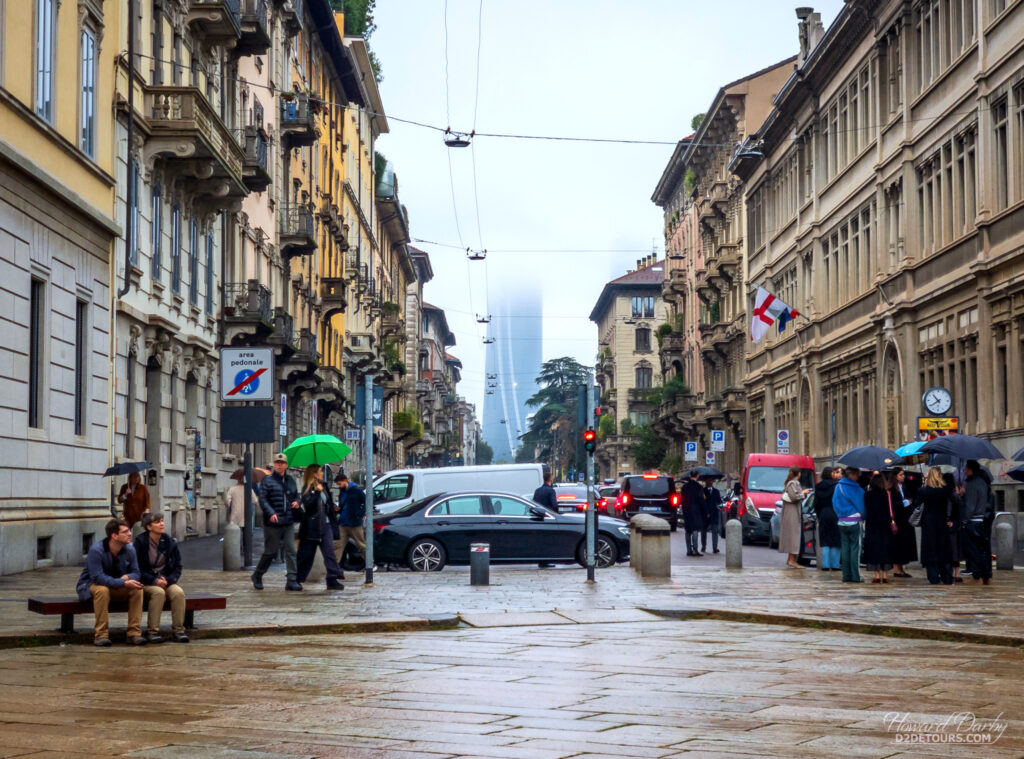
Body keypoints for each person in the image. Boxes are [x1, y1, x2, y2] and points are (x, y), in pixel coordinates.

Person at [75, 519, 146, 647]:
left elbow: (137, 573)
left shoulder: (129, 550)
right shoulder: (97, 550)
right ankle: (101, 635)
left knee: (137, 589)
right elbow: (97, 578)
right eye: (125, 532)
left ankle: (133, 633)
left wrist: (128, 577)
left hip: (116, 586)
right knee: (102, 590)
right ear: (114, 536)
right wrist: (122, 582)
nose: (130, 533)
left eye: (129, 530)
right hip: (90, 586)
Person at [133, 512, 189, 642]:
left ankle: (179, 630)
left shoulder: (170, 542)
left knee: (178, 592)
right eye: (158, 522)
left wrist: (169, 580)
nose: (162, 524)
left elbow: (177, 566)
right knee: (158, 593)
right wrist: (153, 580)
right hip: (146, 582)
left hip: (165, 580)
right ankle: (153, 631)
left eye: (162, 521)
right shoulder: (140, 542)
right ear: (148, 527)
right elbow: (137, 569)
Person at [251, 453, 302, 591]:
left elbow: (297, 495)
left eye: (282, 463)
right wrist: (271, 513)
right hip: (273, 522)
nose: (279, 465)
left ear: (286, 465)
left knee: (291, 550)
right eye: (277, 463)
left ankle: (291, 579)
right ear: (274, 464)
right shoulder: (267, 480)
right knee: (270, 551)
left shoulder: (290, 480)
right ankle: (258, 574)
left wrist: (298, 501)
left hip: (288, 521)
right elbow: (263, 498)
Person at [295, 465, 345, 590]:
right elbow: (309, 506)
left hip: (326, 524)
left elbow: (326, 504)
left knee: (329, 553)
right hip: (312, 526)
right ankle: (297, 579)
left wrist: (333, 508)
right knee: (306, 555)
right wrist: (316, 492)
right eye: (320, 471)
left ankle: (332, 578)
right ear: (314, 474)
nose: (322, 473)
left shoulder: (324, 487)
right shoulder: (307, 488)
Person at [916, 467, 954, 585]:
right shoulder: (946, 490)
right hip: (942, 522)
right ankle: (946, 576)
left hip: (928, 523)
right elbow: (956, 503)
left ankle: (933, 577)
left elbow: (916, 505)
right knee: (944, 549)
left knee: (930, 550)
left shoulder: (923, 491)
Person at [961, 460, 993, 584]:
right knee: (982, 550)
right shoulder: (983, 483)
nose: (964, 471)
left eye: (966, 468)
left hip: (973, 522)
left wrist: (964, 520)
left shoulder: (972, 484)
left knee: (973, 551)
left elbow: (970, 506)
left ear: (970, 469)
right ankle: (986, 574)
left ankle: (977, 575)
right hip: (981, 521)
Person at [833, 467, 866, 583]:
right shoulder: (856, 488)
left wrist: (840, 515)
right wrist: (863, 516)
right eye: (857, 475)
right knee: (855, 550)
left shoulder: (838, 486)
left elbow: (834, 503)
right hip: (854, 521)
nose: (858, 477)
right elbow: (862, 505)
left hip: (842, 521)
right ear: (852, 475)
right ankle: (855, 577)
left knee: (845, 549)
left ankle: (846, 576)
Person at [863, 472, 895, 584]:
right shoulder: (887, 494)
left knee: (874, 550)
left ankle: (876, 575)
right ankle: (885, 575)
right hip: (885, 525)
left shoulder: (867, 494)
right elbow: (891, 510)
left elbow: (866, 509)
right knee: (885, 549)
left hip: (872, 525)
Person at [889, 467, 918, 578]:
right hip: (897, 519)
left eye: (903, 474)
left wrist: (909, 501)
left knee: (904, 544)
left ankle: (901, 568)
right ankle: (896, 569)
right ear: (895, 476)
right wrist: (903, 503)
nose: (903, 476)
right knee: (898, 544)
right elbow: (892, 504)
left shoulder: (904, 487)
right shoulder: (891, 488)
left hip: (906, 519)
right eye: (901, 475)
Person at [779, 466, 809, 568]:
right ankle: (792, 560)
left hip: (792, 511)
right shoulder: (793, 483)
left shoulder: (791, 483)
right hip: (792, 512)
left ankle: (790, 559)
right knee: (793, 535)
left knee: (792, 535)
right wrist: (803, 493)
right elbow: (794, 496)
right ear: (798, 473)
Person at [334, 471, 367, 565]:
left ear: (345, 481)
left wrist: (360, 514)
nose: (339, 486)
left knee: (361, 544)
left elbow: (366, 502)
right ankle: (334, 567)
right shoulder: (342, 492)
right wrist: (338, 509)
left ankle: (370, 563)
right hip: (343, 523)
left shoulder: (356, 490)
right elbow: (342, 506)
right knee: (338, 545)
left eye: (340, 484)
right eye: (338, 485)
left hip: (354, 523)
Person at [813, 466, 842, 572]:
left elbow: (816, 503)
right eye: (834, 472)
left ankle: (825, 565)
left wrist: (819, 515)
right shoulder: (836, 486)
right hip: (835, 513)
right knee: (836, 539)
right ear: (831, 474)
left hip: (823, 513)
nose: (835, 474)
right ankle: (835, 565)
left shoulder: (818, 486)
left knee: (825, 540)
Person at [942, 472, 964, 583]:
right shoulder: (954, 494)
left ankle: (952, 573)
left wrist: (949, 519)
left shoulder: (948, 494)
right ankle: (957, 573)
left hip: (950, 525)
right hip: (956, 525)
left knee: (951, 549)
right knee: (955, 550)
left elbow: (950, 509)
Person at [680, 470, 706, 557]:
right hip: (696, 510)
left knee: (688, 530)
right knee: (695, 529)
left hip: (686, 509)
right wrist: (706, 511)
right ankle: (695, 549)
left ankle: (689, 550)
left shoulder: (684, 487)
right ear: (697, 476)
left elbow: (681, 499)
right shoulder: (699, 487)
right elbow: (701, 500)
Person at [701, 478, 721, 554]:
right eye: (708, 480)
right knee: (703, 531)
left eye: (711, 480)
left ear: (713, 482)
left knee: (715, 531)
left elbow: (719, 501)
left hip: (714, 513)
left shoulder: (716, 491)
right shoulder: (702, 491)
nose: (709, 482)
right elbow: (701, 501)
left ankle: (715, 547)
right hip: (705, 514)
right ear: (705, 481)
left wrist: (718, 505)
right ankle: (703, 546)